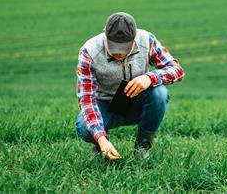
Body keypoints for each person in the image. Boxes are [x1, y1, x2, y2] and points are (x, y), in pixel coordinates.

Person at [75, 12, 184, 161]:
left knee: (160, 93)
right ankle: (101, 147)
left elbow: (177, 70)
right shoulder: (89, 51)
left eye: (125, 47)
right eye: (114, 47)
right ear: (105, 34)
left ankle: (142, 148)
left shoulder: (147, 40)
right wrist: (101, 139)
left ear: (134, 37)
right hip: (105, 104)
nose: (119, 53)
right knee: (85, 128)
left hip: (135, 101)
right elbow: (87, 99)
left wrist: (150, 77)